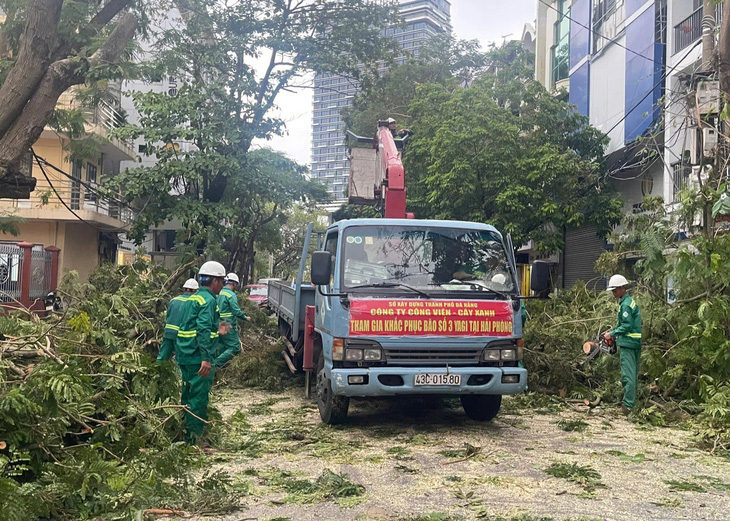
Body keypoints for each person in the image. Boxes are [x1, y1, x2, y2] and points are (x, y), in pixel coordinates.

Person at [175, 261, 230, 444]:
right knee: (198, 399)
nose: (223, 286)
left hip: (185, 354)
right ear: (214, 281)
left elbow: (193, 325)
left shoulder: (193, 298)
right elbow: (203, 329)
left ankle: (182, 435)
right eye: (222, 282)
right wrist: (206, 359)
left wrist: (219, 328)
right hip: (199, 357)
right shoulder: (208, 300)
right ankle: (193, 441)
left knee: (186, 395)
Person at [604, 274, 642, 414]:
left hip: (628, 343)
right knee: (632, 374)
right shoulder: (628, 302)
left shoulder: (625, 305)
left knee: (628, 375)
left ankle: (628, 406)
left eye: (615, 290)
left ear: (622, 288)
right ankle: (631, 403)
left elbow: (626, 325)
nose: (613, 293)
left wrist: (612, 334)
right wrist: (615, 334)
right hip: (632, 342)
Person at [215, 272, 251, 368]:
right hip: (227, 323)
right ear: (234, 284)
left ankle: (220, 367)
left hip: (217, 322)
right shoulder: (231, 295)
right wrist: (245, 317)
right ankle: (215, 365)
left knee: (222, 345)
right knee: (234, 347)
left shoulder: (218, 292)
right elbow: (236, 310)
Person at [157, 278, 198, 362]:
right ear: (195, 291)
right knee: (180, 359)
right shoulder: (193, 302)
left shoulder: (173, 300)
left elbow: (167, 316)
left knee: (162, 357)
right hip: (180, 335)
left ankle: (156, 372)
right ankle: (178, 375)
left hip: (168, 332)